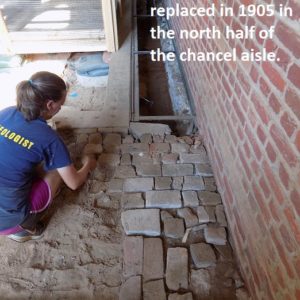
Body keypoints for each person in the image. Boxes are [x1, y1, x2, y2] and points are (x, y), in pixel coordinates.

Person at [0, 71, 97, 242]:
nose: (61, 108)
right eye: (61, 104)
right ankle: (24, 229)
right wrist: (88, 162)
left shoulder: (6, 113)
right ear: (50, 104)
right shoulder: (50, 139)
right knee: (56, 170)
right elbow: (73, 183)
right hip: (7, 222)